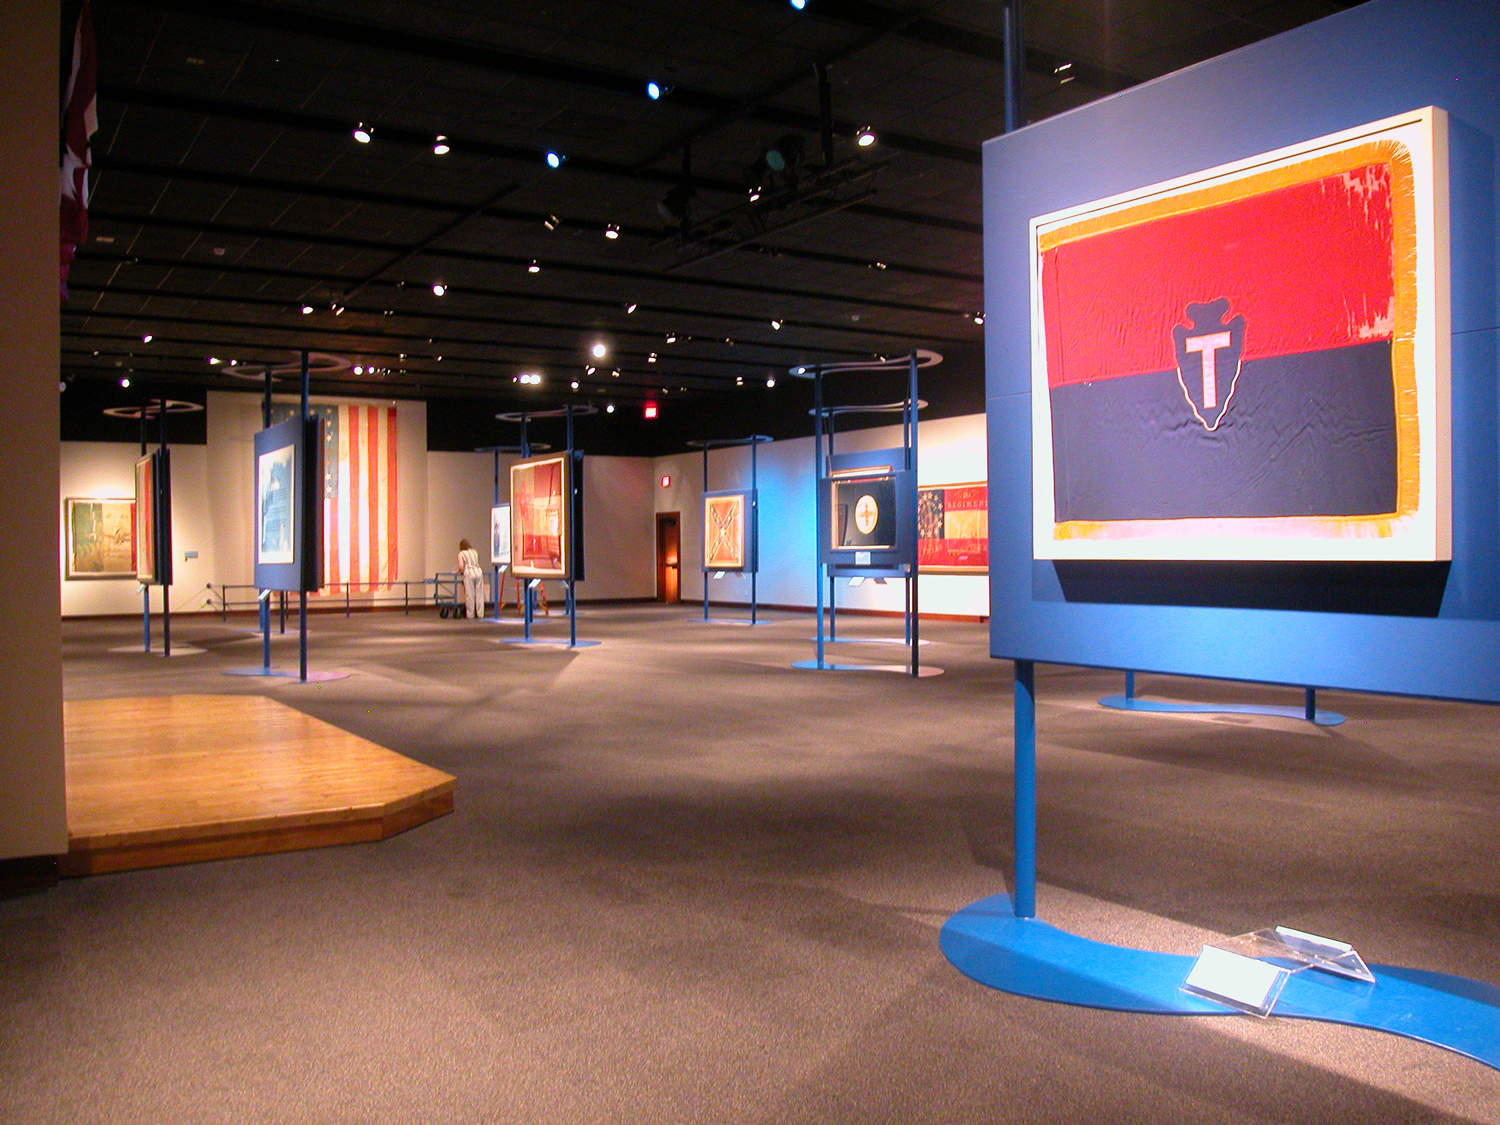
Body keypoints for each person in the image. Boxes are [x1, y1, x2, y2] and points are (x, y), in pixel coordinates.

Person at [457, 538, 484, 619]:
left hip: (469, 573)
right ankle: (480, 614)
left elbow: (461, 566)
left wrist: (457, 571)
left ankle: (470, 614)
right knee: (479, 594)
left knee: (470, 594)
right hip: (478, 572)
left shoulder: (461, 553)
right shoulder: (474, 552)